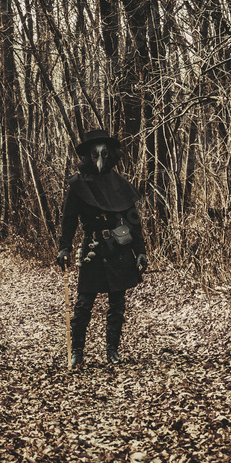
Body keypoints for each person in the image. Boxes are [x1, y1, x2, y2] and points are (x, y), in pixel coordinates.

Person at [56, 130, 147, 369]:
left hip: (117, 247)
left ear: (111, 155)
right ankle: (77, 352)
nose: (99, 159)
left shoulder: (120, 184)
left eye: (104, 153)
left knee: (117, 303)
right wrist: (64, 248)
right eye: (95, 153)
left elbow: (133, 220)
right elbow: (69, 219)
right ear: (88, 154)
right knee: (84, 302)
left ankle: (112, 351)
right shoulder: (78, 185)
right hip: (93, 249)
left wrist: (140, 251)